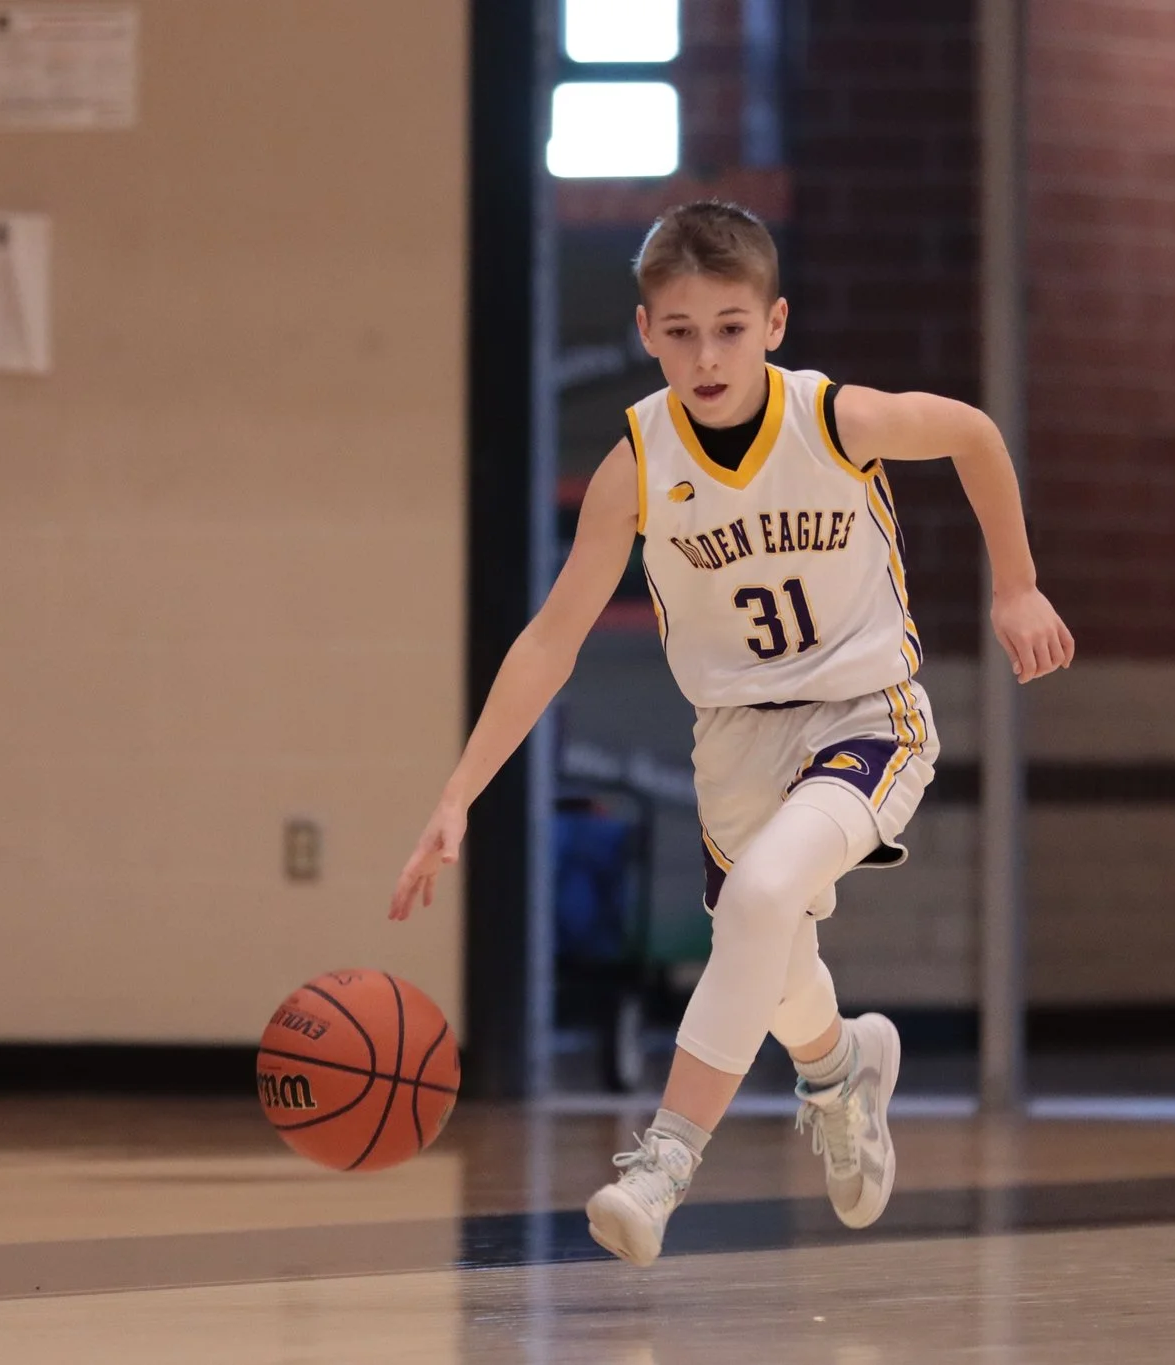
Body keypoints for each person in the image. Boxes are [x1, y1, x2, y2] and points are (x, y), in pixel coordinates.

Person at [390, 200, 1073, 1266]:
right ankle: (841, 1068)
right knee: (772, 953)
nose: (703, 354)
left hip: (865, 714)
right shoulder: (635, 464)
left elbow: (974, 435)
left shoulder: (832, 420)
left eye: (728, 327)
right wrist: (457, 793)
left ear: (775, 323)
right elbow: (550, 640)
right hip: (732, 743)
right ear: (643, 329)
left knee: (757, 903)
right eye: (677, 330)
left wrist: (1018, 587)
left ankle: (662, 1163)